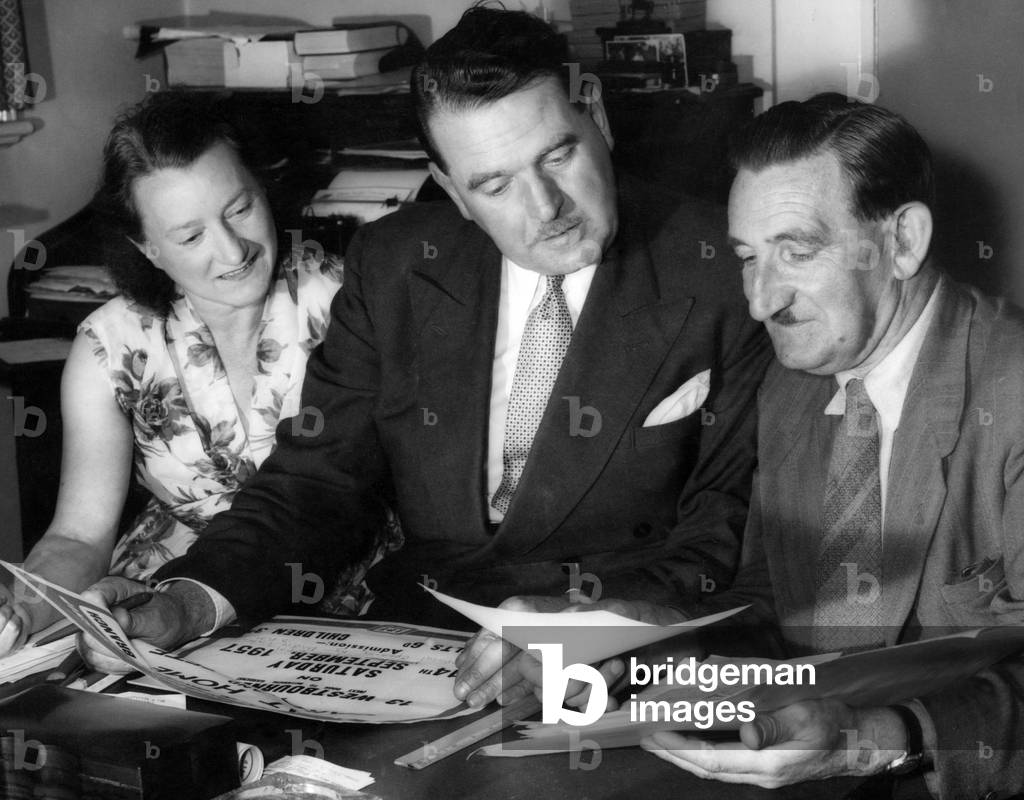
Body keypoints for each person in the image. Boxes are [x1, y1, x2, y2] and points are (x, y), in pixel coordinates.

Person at [82, 8, 771, 710]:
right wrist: (188, 605)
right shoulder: (396, 264)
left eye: (558, 154)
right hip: (421, 651)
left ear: (596, 113)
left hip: (623, 660)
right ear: (450, 190)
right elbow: (318, 484)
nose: (547, 207)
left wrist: (602, 629)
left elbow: (729, 525)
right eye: (494, 185)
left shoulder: (723, 267)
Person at [627, 94, 1024, 799]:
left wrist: (868, 741)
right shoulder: (795, 383)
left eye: (797, 253)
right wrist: (652, 645)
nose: (760, 301)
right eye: (749, 257)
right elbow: (776, 598)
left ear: (902, 241)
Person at [0, 93, 395, 654]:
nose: (232, 249)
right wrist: (28, 607)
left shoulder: (352, 303)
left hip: (347, 592)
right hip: (162, 601)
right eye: (190, 236)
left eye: (239, 209)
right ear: (149, 249)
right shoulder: (110, 348)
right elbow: (79, 535)